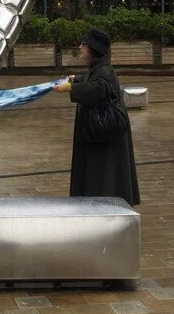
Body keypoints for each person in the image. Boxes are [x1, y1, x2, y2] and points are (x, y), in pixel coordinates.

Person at [54, 28, 140, 206]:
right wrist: (76, 79)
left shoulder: (104, 71)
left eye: (83, 44)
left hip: (103, 137)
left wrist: (71, 88)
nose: (80, 47)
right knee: (101, 174)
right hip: (100, 134)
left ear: (93, 48)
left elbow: (98, 88)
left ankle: (103, 206)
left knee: (103, 177)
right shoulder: (100, 68)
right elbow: (91, 80)